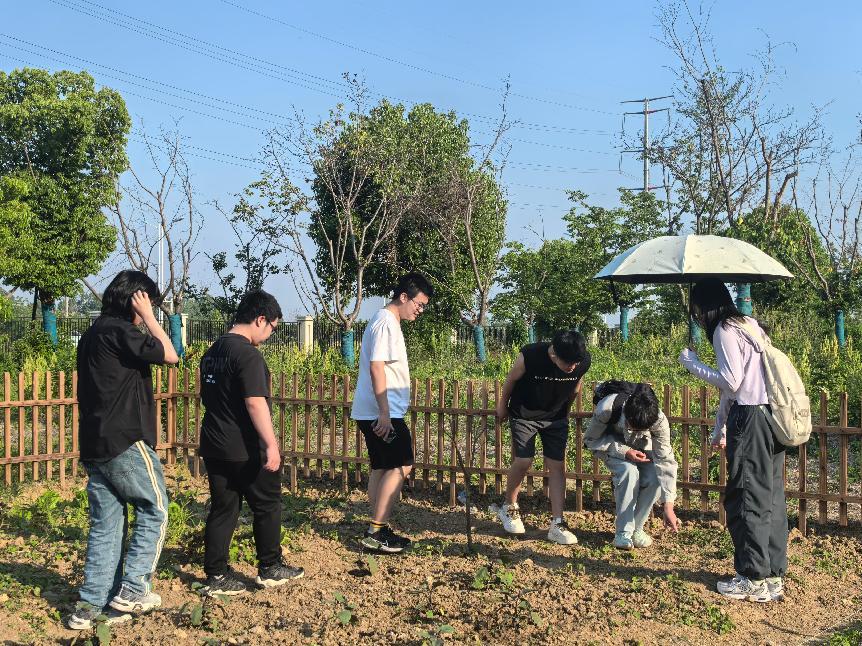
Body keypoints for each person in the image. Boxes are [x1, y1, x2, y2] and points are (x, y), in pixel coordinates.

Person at [68, 270, 179, 630]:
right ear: (136, 300)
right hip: (126, 440)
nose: (149, 311)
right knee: (155, 508)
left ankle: (90, 606)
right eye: (147, 302)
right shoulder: (122, 331)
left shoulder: (92, 334)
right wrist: (149, 318)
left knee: (107, 525)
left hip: (95, 442)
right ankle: (133, 589)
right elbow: (171, 355)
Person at [680, 278, 787, 603]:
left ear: (703, 307)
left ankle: (752, 578)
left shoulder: (724, 330)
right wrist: (720, 428)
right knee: (770, 496)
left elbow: (731, 382)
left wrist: (692, 365)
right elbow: (740, 387)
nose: (697, 316)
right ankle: (772, 575)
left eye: (696, 309)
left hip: (751, 419)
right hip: (770, 416)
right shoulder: (750, 325)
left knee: (747, 497)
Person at [199, 290, 304, 595]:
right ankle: (270, 567)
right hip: (245, 447)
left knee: (223, 509)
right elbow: (255, 402)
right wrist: (271, 445)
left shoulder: (213, 351)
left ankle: (216, 575)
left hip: (215, 444)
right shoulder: (247, 355)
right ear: (260, 319)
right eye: (273, 327)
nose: (270, 334)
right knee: (267, 505)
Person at [352, 272, 433, 553]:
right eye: (419, 304)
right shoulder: (386, 322)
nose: (420, 310)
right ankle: (377, 531)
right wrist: (385, 414)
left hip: (375, 411)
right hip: (383, 413)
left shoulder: (385, 321)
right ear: (403, 297)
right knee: (402, 465)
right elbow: (377, 367)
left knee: (382, 467)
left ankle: (378, 527)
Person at [494, 330, 591, 544]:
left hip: (555, 417)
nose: (573, 367)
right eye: (568, 363)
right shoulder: (530, 355)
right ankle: (509, 507)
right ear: (554, 354)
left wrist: (565, 411)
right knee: (523, 460)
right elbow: (511, 380)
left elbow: (576, 386)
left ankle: (558, 523)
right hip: (524, 414)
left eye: (576, 362)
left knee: (557, 466)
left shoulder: (582, 361)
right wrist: (502, 405)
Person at [583, 382, 680, 549]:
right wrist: (624, 451)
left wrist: (668, 505)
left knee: (654, 477)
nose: (634, 431)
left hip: (641, 447)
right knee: (628, 471)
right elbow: (590, 440)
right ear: (626, 414)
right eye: (631, 427)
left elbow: (665, 460)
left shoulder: (658, 420)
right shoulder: (607, 409)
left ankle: (636, 529)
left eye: (640, 429)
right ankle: (623, 533)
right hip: (611, 446)